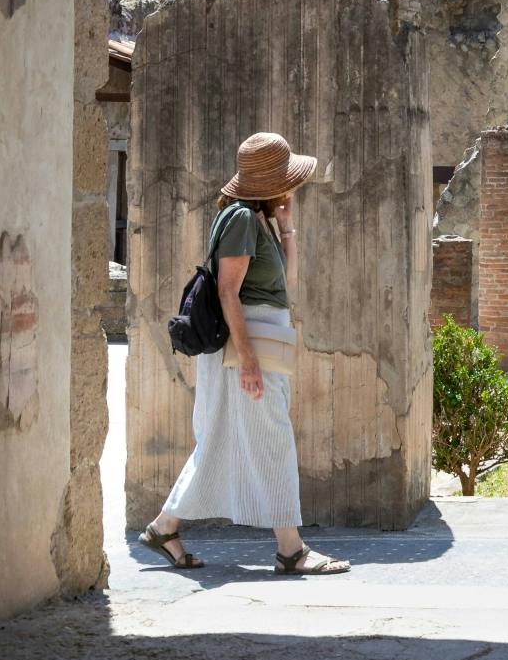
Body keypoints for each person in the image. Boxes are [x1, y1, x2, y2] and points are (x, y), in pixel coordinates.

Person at [138, 131, 351, 575]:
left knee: (220, 440)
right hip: (246, 349)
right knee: (272, 436)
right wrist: (249, 361)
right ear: (271, 183)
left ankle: (164, 527)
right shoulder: (238, 219)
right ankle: (290, 549)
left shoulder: (259, 221)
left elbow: (285, 285)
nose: (292, 188)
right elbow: (228, 292)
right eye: (287, 182)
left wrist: (288, 226)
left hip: (255, 344)